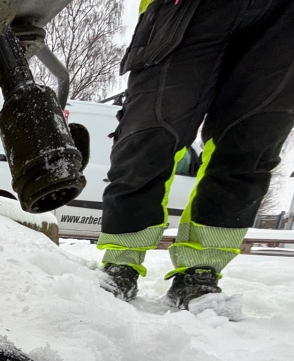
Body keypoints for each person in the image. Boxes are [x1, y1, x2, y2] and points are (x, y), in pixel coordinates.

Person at [97, 0, 294, 308]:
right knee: (150, 133)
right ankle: (121, 262)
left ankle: (201, 272)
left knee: (249, 146)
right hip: (189, 8)